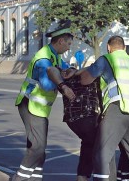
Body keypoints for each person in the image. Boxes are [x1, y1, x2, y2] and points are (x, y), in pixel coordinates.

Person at [80, 35, 129, 181]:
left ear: (108, 47)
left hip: (118, 109)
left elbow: (85, 80)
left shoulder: (107, 59)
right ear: (124, 48)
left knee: (103, 152)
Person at [11, 20, 76, 181]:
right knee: (38, 147)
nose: (69, 47)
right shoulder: (43, 59)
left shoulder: (54, 55)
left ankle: (35, 177)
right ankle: (19, 177)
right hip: (31, 105)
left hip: (40, 108)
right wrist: (63, 82)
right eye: (68, 43)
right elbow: (47, 85)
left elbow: (65, 67)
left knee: (39, 146)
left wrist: (71, 70)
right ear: (60, 41)